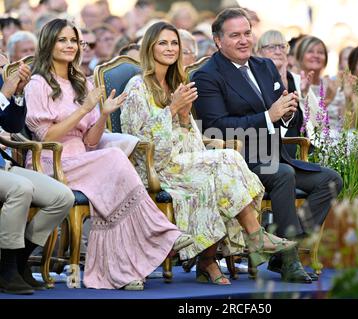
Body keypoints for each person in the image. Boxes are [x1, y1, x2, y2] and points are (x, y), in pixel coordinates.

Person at [120, 21, 302, 285]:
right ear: (149, 47)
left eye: (174, 43)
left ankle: (210, 260)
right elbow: (136, 139)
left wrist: (183, 117)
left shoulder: (176, 84)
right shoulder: (137, 86)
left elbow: (190, 135)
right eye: (163, 43)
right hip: (155, 166)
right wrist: (172, 110)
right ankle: (250, 237)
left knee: (219, 173)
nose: (170, 48)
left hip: (184, 160)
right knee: (225, 161)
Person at [23, 18, 193, 290]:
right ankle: (161, 232)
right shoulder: (38, 83)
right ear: (49, 44)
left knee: (113, 190)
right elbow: (46, 137)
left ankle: (124, 270)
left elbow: (90, 141)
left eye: (73, 41)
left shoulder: (81, 83)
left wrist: (102, 114)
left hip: (84, 158)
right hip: (51, 162)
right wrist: (82, 110)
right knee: (114, 159)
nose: (70, 45)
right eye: (62, 40)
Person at [193, 8, 343, 282]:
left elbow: (285, 113)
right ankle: (289, 260)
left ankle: (284, 247)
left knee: (330, 180)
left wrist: (287, 113)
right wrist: (268, 116)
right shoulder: (207, 75)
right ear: (218, 41)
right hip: (238, 162)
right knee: (282, 175)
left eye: (247, 33)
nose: (243, 40)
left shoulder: (264, 66)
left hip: (276, 154)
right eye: (235, 35)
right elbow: (216, 126)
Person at [0, 61, 74, 295]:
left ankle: (18, 261)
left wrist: (19, 94)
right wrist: (3, 94)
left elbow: (12, 124)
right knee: (21, 188)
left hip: (3, 166)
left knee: (62, 196)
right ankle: (7, 268)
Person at [256, 30, 319, 158]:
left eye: (282, 46)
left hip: (303, 147)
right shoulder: (255, 80)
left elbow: (319, 120)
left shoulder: (297, 79)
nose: (278, 51)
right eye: (271, 47)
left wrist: (304, 95)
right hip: (268, 149)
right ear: (258, 52)